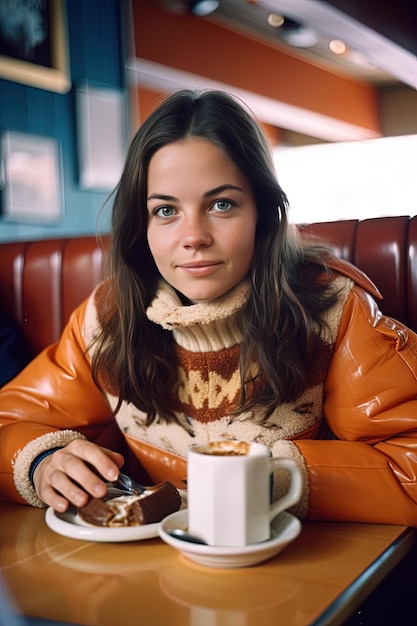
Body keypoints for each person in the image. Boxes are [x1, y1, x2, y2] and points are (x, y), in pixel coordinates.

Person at [1, 89, 417, 526]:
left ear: (263, 212)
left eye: (221, 204)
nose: (194, 235)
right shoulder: (106, 318)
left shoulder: (336, 311)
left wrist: (277, 480)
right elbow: (9, 422)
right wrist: (40, 462)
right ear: (139, 226)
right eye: (165, 210)